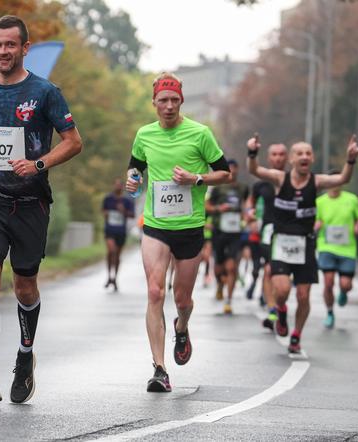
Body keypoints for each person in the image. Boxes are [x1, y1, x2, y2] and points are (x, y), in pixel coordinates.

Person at [0, 15, 82, 404]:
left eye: (10, 45)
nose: (2, 52)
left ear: (24, 48)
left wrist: (39, 164)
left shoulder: (45, 92)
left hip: (30, 203)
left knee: (24, 284)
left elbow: (73, 142)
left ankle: (25, 358)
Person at [125, 72, 232, 392]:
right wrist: (133, 181)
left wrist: (196, 179)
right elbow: (135, 168)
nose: (168, 106)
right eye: (163, 101)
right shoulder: (144, 135)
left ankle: (181, 327)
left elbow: (225, 173)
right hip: (156, 226)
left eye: (174, 100)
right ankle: (159, 369)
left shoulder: (200, 134)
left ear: (181, 101)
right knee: (155, 292)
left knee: (182, 298)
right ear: (154, 103)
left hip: (190, 227)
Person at [246, 134, 358, 354]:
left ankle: (296, 335)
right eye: (299, 153)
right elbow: (255, 170)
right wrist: (252, 153)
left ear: (313, 158)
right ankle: (280, 310)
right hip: (282, 241)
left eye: (308, 153)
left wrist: (350, 159)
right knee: (282, 289)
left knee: (304, 296)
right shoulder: (280, 179)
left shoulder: (316, 181)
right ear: (291, 159)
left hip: (305, 243)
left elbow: (343, 179)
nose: (304, 156)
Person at [315, 173, 358, 328]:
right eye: (332, 181)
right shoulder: (320, 202)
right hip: (326, 246)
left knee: (345, 284)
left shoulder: (351, 199)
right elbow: (316, 219)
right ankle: (330, 312)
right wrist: (317, 225)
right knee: (328, 282)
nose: (335, 183)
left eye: (339, 180)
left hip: (347, 248)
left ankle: (343, 293)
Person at [245, 143, 287, 329]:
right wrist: (249, 213)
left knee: (284, 277)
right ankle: (272, 311)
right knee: (269, 270)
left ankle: (280, 305)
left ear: (287, 158)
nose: (278, 158)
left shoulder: (294, 180)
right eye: (274, 155)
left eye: (281, 155)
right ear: (269, 158)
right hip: (269, 232)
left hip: (291, 234)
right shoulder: (261, 184)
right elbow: (250, 203)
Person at [206, 159, 249, 314]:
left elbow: (247, 205)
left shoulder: (243, 188)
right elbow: (207, 206)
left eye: (235, 169)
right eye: (229, 169)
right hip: (219, 230)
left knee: (231, 267)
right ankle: (219, 284)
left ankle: (228, 300)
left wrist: (247, 216)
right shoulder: (218, 188)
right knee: (218, 268)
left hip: (235, 231)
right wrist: (219, 208)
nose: (232, 172)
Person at [102, 178, 135, 291]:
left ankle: (114, 278)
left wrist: (123, 211)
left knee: (117, 256)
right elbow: (103, 210)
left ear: (122, 187)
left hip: (121, 231)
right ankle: (108, 276)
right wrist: (105, 213)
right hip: (110, 230)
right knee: (112, 251)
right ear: (113, 186)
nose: (117, 187)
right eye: (115, 185)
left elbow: (132, 215)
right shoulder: (108, 198)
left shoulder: (127, 201)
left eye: (119, 185)